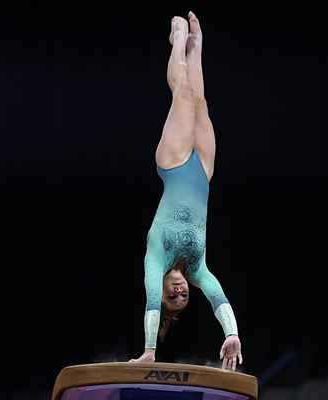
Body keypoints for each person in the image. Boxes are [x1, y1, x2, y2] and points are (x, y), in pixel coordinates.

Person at [128, 11, 243, 371]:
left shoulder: (155, 260)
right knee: (201, 102)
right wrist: (231, 333)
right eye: (183, 299)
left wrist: (150, 350)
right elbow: (217, 296)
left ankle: (177, 39)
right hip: (202, 173)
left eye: (171, 298)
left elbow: (150, 300)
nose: (180, 293)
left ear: (164, 293)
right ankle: (198, 47)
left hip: (175, 164)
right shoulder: (197, 268)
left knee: (184, 94)